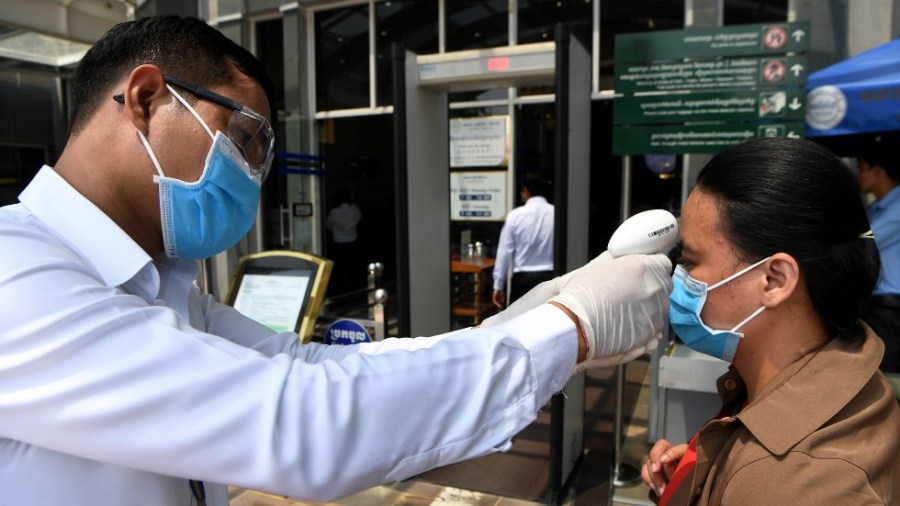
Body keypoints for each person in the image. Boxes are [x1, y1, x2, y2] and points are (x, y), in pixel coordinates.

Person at [0, 15, 674, 506]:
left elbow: (312, 368)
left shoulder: (158, 287)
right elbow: (300, 419)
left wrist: (522, 323)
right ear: (147, 98)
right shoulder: (16, 275)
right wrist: (573, 325)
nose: (255, 174)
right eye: (244, 138)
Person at [641, 137, 899, 505]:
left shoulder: (789, 481)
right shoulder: (845, 376)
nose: (678, 279)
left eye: (691, 262)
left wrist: (749, 479)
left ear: (775, 280)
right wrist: (711, 477)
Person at [857, 140, 900, 373]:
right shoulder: (876, 208)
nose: (859, 175)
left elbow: (866, 241)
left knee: (886, 373)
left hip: (891, 304)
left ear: (879, 171)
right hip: (877, 302)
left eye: (862, 169)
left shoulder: (897, 208)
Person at [492, 171, 555, 309]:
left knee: (517, 326)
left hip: (522, 280)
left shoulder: (515, 216)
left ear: (526, 190)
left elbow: (504, 252)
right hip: (550, 278)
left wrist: (498, 285)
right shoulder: (556, 213)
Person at [325, 187, 363, 292]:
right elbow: (359, 217)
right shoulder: (355, 209)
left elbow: (328, 225)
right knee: (352, 269)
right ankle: (353, 290)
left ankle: (340, 291)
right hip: (353, 242)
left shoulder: (334, 212)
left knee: (338, 269)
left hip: (339, 243)